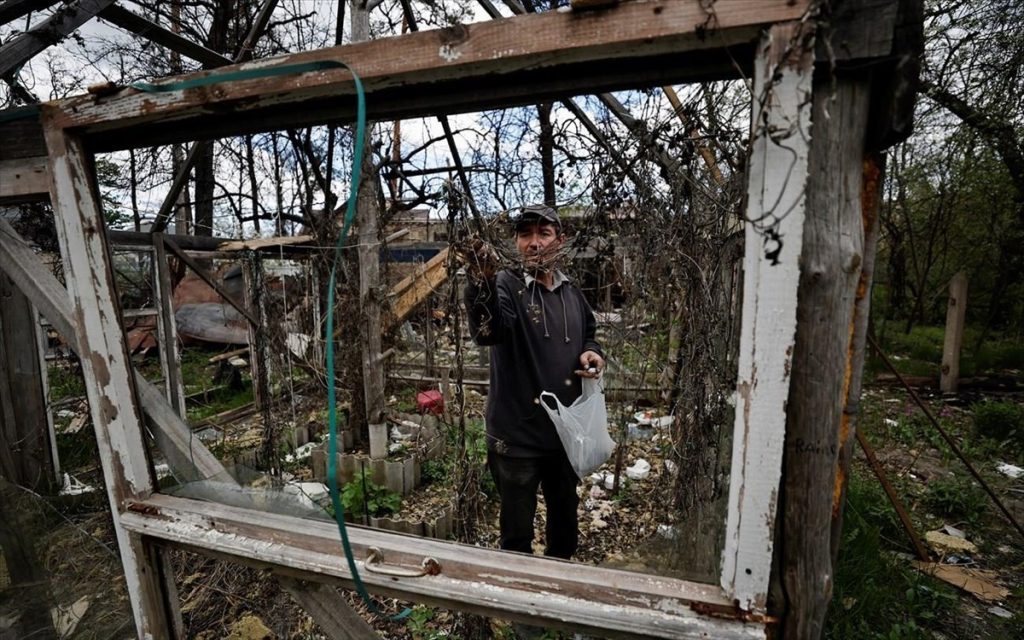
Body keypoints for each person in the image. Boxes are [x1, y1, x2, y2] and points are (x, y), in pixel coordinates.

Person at [462, 204, 605, 560]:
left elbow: (589, 332)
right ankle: (522, 611)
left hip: (564, 437)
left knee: (565, 528)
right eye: (525, 234)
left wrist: (592, 352)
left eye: (543, 233)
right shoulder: (505, 286)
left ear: (560, 240)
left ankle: (557, 598)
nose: (534, 243)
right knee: (516, 538)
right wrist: (481, 283)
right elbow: (489, 330)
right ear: (515, 242)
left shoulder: (572, 294)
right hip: (517, 439)